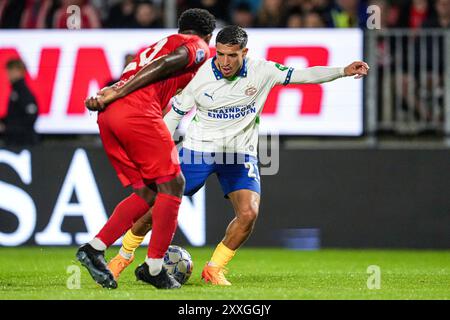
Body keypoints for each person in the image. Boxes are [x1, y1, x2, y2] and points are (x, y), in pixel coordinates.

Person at [95, 25, 369, 286]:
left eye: (232, 55)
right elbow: (174, 116)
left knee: (249, 213)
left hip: (240, 155)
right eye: (221, 53)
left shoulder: (263, 71)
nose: (224, 61)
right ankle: (123, 257)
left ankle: (214, 268)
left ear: (244, 53)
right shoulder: (199, 76)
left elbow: (304, 75)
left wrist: (343, 70)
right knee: (156, 207)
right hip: (199, 151)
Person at [76, 8, 216, 290]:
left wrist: (113, 91)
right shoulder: (198, 47)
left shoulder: (157, 44)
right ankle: (154, 266)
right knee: (174, 184)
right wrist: (118, 91)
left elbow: (157, 70)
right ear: (208, 36)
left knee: (149, 191)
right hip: (135, 111)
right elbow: (167, 63)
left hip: (110, 115)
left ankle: (94, 248)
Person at [0, 59, 39, 146]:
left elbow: (30, 118)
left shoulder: (24, 92)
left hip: (23, 142)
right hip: (14, 140)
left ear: (19, 72)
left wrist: (7, 128)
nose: (8, 74)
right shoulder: (15, 92)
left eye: (11, 71)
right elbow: (14, 117)